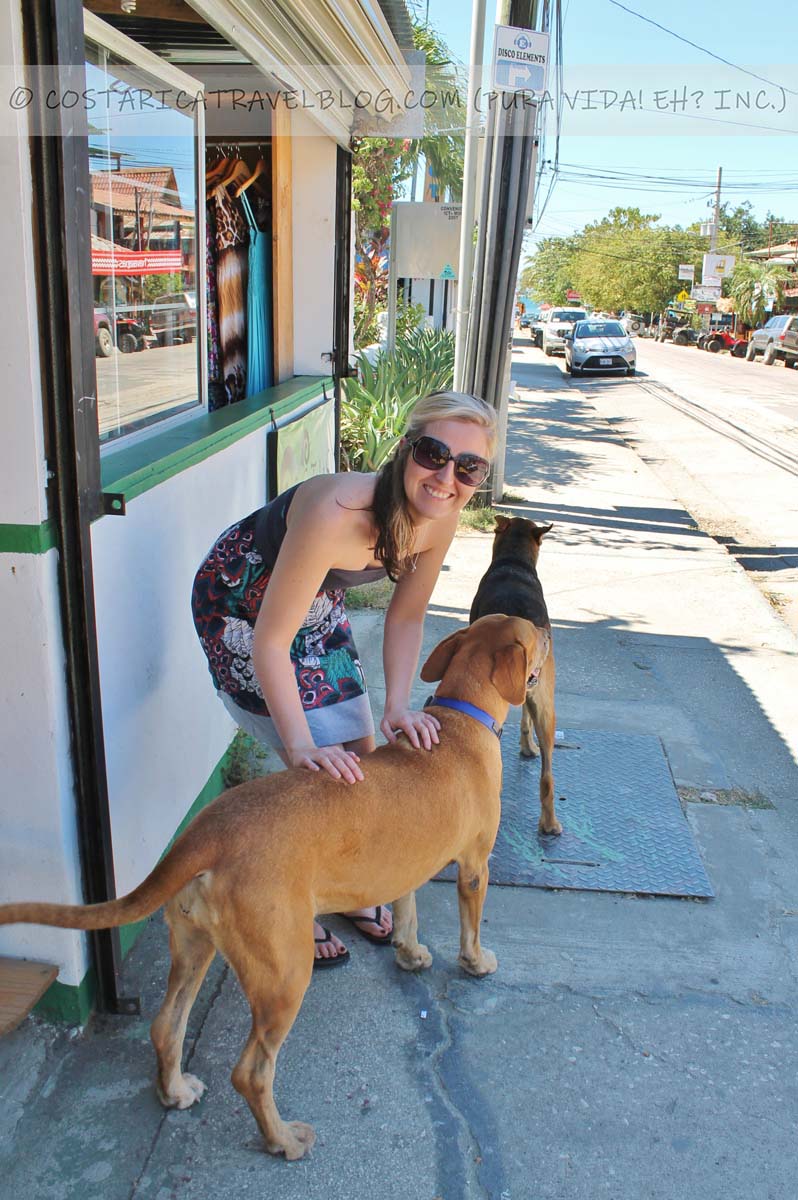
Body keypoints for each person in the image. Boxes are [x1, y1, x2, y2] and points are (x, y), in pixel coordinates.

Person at [191, 390, 497, 968]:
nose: (445, 477)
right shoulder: (338, 510)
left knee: (360, 758)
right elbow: (271, 643)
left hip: (314, 597)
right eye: (433, 453)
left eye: (469, 467)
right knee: (313, 769)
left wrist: (399, 706)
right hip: (240, 597)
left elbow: (406, 615)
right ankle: (293, 902)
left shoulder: (443, 515)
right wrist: (302, 743)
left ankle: (352, 887)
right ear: (405, 448)